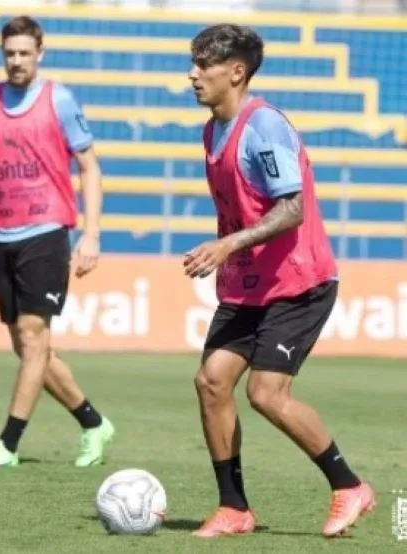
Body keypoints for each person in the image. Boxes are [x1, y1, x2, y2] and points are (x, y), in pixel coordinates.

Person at [185, 23, 374, 538]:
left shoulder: (263, 127)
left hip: (298, 282)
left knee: (267, 393)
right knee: (212, 382)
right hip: (249, 284)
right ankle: (234, 508)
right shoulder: (211, 130)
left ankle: (349, 486)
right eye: (194, 63)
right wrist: (226, 252)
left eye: (204, 64)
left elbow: (291, 209)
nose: (193, 74)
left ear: (237, 72)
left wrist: (226, 246)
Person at [0, 15, 115, 468]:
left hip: (47, 230)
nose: (17, 61)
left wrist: (92, 233)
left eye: (25, 53)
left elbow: (90, 168)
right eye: (10, 53)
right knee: (28, 346)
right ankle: (93, 423)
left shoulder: (59, 100)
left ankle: (8, 443)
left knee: (32, 334)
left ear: (39, 54)